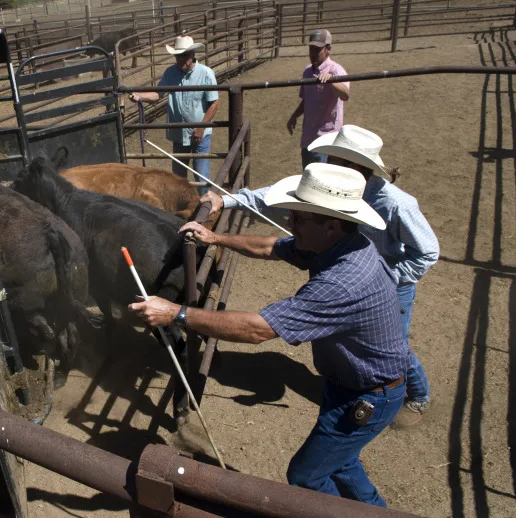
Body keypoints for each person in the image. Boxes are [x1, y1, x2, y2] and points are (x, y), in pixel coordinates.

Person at [130, 163, 409, 507]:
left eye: (299, 218)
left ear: (332, 225)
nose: (291, 223)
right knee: (341, 461)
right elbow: (272, 247)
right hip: (354, 383)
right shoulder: (341, 244)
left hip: (368, 394)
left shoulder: (343, 281)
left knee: (306, 476)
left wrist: (176, 313)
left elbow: (257, 329)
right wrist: (217, 238)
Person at [202, 125, 439, 426]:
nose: (325, 164)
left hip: (388, 282)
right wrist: (230, 200)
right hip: (346, 276)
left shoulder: (395, 204)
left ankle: (418, 396)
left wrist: (388, 277)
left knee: (392, 345)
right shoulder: (330, 188)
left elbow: (428, 251)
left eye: (333, 159)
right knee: (362, 340)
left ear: (353, 166)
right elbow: (275, 196)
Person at [128, 35, 219, 193]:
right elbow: (158, 94)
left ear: (192, 55)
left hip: (200, 134)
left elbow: (214, 103)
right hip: (179, 133)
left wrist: (201, 128)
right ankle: (182, 207)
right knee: (178, 177)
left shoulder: (206, 73)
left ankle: (206, 207)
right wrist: (140, 96)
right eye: (178, 56)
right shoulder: (170, 73)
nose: (180, 60)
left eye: (184, 55)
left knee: (201, 176)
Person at [287, 29, 350, 168]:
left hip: (327, 138)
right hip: (308, 136)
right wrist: (294, 116)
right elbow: (307, 99)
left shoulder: (336, 70)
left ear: (328, 49)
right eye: (311, 49)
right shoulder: (308, 71)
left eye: (317, 49)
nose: (313, 53)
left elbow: (345, 94)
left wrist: (331, 81)